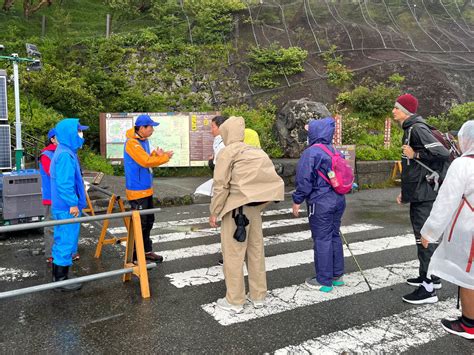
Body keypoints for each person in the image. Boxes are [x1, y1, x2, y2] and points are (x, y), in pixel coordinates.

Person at [209, 116, 284, 312]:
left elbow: (220, 186)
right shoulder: (256, 152)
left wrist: (215, 211)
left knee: (233, 255)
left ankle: (235, 300)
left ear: (226, 133)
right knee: (256, 252)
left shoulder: (228, 152)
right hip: (255, 209)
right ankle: (258, 295)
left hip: (235, 210)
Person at [392, 93, 450, 304]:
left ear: (406, 110)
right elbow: (412, 169)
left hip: (425, 193)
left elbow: (442, 154)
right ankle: (430, 277)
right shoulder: (411, 129)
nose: (393, 111)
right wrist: (405, 192)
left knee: (424, 237)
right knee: (424, 237)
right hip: (419, 191)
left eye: (397, 107)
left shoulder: (417, 129)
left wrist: (415, 155)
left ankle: (428, 289)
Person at [420, 120, 474, 339]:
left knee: (468, 276)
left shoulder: (463, 165)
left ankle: (469, 324)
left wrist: (429, 232)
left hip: (469, 229)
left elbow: (446, 201)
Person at [292, 117, 346, 293]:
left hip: (321, 202)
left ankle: (323, 280)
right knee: (334, 236)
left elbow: (304, 181)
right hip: (338, 199)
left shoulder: (312, 152)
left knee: (322, 239)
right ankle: (337, 276)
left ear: (315, 132)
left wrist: (297, 200)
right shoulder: (332, 150)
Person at [124, 114, 173, 263]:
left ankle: (146, 251)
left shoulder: (143, 141)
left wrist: (156, 154)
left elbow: (146, 156)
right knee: (141, 224)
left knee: (149, 221)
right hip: (137, 190)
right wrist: (164, 157)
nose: (152, 130)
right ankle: (135, 256)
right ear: (142, 128)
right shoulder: (132, 143)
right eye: (150, 127)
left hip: (146, 188)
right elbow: (145, 161)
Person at [50, 118, 89, 291]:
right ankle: (61, 280)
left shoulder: (64, 151)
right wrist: (73, 203)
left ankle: (60, 277)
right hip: (67, 207)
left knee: (62, 240)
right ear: (69, 134)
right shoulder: (65, 154)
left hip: (61, 205)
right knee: (66, 241)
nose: (81, 134)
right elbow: (65, 183)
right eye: (78, 131)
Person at [39, 128, 57, 263]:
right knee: (50, 225)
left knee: (64, 225)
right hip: (51, 195)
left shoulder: (63, 152)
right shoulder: (46, 154)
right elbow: (52, 173)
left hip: (61, 195)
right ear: (52, 139)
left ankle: (69, 252)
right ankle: (50, 253)